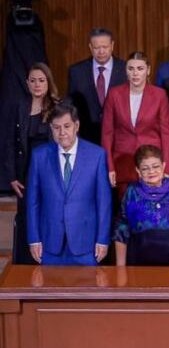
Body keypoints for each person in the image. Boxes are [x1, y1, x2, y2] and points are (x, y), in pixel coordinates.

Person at [26, 103, 111, 265]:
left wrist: (102, 239)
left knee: (87, 283)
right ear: (51, 128)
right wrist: (34, 239)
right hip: (49, 244)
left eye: (67, 126)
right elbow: (32, 202)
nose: (62, 133)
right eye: (56, 128)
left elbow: (103, 202)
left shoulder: (97, 155)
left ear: (76, 126)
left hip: (86, 244)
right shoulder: (39, 156)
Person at [101, 52, 169, 198]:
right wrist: (109, 166)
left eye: (140, 68)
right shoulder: (114, 94)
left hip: (152, 165)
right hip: (123, 163)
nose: (135, 73)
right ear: (126, 70)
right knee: (126, 207)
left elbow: (167, 133)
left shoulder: (160, 95)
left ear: (148, 70)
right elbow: (107, 133)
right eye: (131, 68)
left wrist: (167, 169)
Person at [10, 63, 61, 264]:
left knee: (49, 215)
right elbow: (9, 141)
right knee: (26, 217)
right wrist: (12, 176)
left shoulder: (59, 107)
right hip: (25, 175)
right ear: (27, 83)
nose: (37, 85)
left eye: (41, 80)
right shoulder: (20, 106)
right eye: (33, 81)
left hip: (51, 174)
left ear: (48, 82)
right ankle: (26, 264)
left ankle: (50, 260)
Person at [66, 27, 126, 144]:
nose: (101, 51)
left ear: (112, 45)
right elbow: (71, 107)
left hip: (119, 135)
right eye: (97, 48)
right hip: (86, 137)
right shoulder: (77, 71)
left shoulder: (125, 69)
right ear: (90, 47)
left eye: (105, 47)